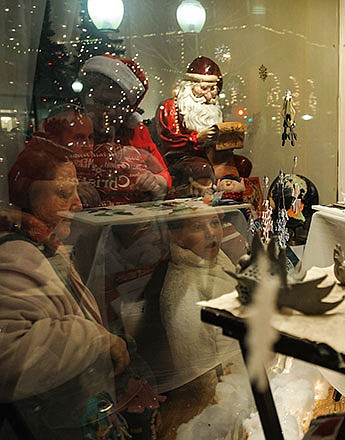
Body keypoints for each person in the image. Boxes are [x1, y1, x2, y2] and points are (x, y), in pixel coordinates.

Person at [0, 145, 130, 438]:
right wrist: (96, 339)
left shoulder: (45, 247)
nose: (77, 205)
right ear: (26, 195)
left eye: (75, 192)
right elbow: (7, 359)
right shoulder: (15, 255)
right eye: (62, 193)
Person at [157, 213, 243, 435]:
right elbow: (200, 381)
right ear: (177, 237)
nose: (211, 233)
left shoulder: (215, 261)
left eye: (215, 223)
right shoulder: (183, 291)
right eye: (197, 226)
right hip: (226, 409)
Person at [80, 54, 171, 202]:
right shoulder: (68, 127)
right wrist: (66, 186)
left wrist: (154, 180)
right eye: (102, 102)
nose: (109, 111)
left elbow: (164, 176)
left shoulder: (136, 132)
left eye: (117, 105)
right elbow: (34, 176)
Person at [156, 56, 252, 178]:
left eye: (212, 89)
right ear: (188, 87)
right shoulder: (170, 107)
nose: (208, 96)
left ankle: (232, 194)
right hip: (182, 158)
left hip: (214, 156)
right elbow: (168, 140)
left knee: (244, 165)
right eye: (203, 88)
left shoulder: (213, 107)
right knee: (203, 169)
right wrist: (197, 138)